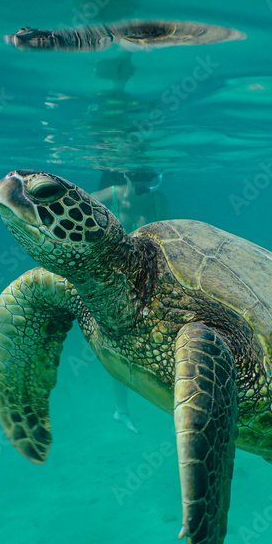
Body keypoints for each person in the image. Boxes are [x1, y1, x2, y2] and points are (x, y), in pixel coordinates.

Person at [90, 170, 168, 434]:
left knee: (164, 345)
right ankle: (120, 410)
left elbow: (169, 240)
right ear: (123, 171)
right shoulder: (103, 198)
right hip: (112, 285)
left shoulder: (160, 200)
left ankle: (178, 408)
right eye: (138, 172)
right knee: (120, 346)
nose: (143, 178)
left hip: (152, 284)